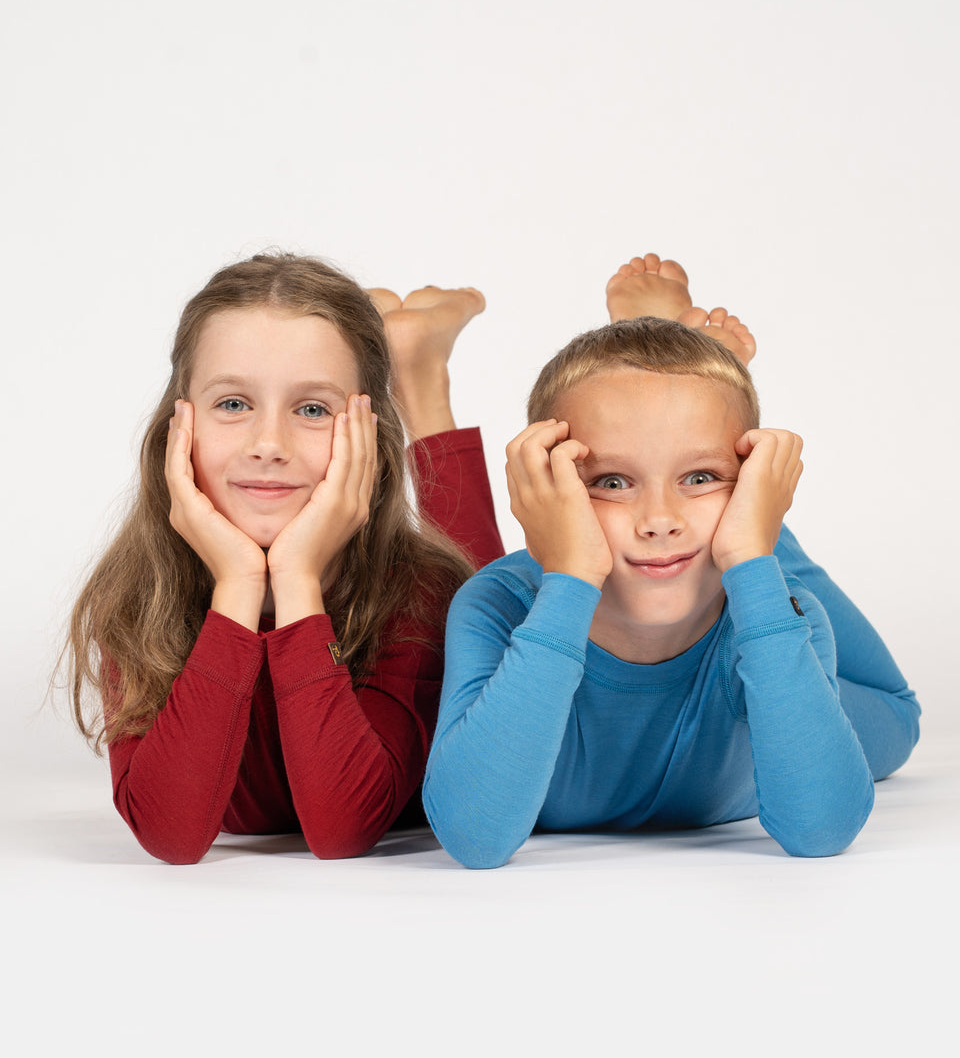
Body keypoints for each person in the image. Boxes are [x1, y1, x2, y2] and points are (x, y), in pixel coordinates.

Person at [423, 255, 920, 868]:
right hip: (625, 572)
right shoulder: (495, 608)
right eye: (611, 481)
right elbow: (474, 836)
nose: (658, 518)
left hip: (740, 586)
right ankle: (683, 396)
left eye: (701, 475)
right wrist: (570, 580)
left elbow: (820, 830)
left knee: (897, 717)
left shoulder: (781, 612)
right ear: (547, 486)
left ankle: (686, 393)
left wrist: (752, 557)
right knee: (468, 559)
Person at [66, 252, 502, 864]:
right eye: (233, 404)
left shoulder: (422, 593)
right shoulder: (137, 593)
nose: (269, 445)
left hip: (427, 584)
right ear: (177, 428)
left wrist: (296, 579)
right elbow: (170, 835)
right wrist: (239, 584)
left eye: (313, 409)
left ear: (370, 440)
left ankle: (419, 377)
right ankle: (408, 359)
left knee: (482, 588)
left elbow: (343, 828)